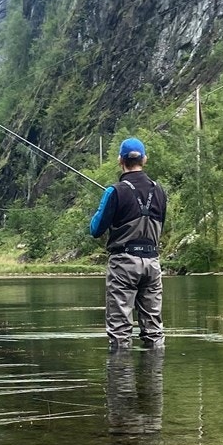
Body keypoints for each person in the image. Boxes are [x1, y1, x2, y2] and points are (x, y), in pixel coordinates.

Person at [89, 137, 167, 351]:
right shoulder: (160, 191)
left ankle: (120, 380)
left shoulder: (114, 191)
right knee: (154, 330)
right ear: (144, 159)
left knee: (120, 330)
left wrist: (103, 207)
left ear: (119, 161)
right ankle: (154, 379)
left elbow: (95, 230)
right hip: (152, 263)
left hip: (123, 264)